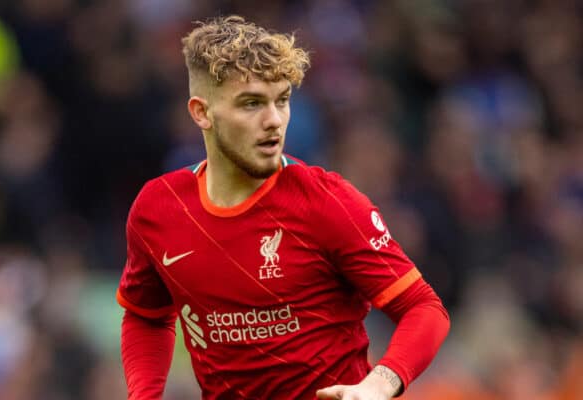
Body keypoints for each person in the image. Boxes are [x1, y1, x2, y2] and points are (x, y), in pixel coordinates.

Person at [117, 15, 450, 400]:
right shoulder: (159, 208)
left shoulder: (326, 201)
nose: (274, 120)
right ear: (201, 112)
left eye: (282, 100)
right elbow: (146, 315)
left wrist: (378, 385)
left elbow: (424, 309)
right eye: (252, 103)